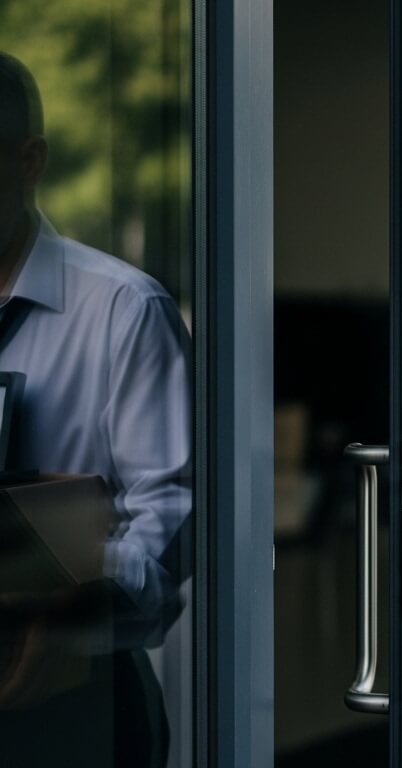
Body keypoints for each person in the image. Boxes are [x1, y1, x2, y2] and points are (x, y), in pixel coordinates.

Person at [0, 51, 190, 766]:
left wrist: (61, 591)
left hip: (79, 701)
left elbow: (170, 534)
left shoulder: (123, 310)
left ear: (29, 162)